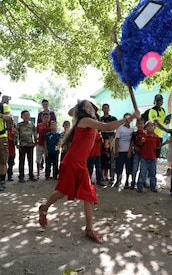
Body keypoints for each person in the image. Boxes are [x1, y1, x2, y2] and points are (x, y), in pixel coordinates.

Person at [38, 100, 140, 243]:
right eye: (88, 106)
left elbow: (103, 125)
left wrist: (84, 105)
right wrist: (131, 117)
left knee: (87, 195)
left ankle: (89, 228)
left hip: (79, 163)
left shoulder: (90, 121)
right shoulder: (84, 120)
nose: (91, 107)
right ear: (83, 111)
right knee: (63, 191)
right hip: (73, 162)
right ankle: (44, 208)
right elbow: (108, 126)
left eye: (92, 106)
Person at [137, 121, 169, 192]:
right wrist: (142, 141)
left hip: (153, 158)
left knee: (153, 173)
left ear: (155, 127)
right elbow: (140, 145)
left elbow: (158, 146)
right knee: (142, 173)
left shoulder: (156, 137)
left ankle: (153, 186)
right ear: (146, 127)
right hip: (144, 158)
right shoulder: (144, 135)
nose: (150, 127)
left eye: (152, 126)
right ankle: (140, 186)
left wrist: (165, 143)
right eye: (148, 126)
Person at [14, 110, 38, 183]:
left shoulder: (32, 124)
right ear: (22, 117)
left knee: (30, 161)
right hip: (22, 145)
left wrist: (36, 141)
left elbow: (35, 133)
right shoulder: (19, 125)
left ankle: (31, 175)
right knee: (22, 161)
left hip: (30, 145)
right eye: (25, 115)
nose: (27, 116)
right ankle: (21, 176)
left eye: (28, 115)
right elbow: (16, 134)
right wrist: (16, 143)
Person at [114, 113, 134, 188]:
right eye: (126, 119)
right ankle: (118, 180)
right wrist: (116, 150)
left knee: (129, 167)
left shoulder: (132, 130)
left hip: (128, 151)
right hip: (121, 151)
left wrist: (130, 151)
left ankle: (127, 181)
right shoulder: (120, 128)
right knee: (119, 166)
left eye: (129, 119)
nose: (127, 121)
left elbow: (132, 141)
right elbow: (117, 140)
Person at [128, 117, 146, 189]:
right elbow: (131, 143)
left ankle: (140, 183)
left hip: (144, 154)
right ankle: (133, 181)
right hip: (136, 153)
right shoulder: (134, 134)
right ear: (136, 124)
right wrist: (130, 151)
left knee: (142, 169)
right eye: (138, 124)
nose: (140, 125)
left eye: (141, 124)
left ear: (144, 125)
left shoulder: (146, 134)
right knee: (135, 168)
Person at [148, 94, 167, 158]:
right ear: (154, 101)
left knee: (156, 156)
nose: (158, 102)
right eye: (157, 101)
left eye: (160, 100)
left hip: (160, 136)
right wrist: (166, 130)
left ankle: (154, 168)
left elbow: (162, 122)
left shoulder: (163, 110)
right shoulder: (152, 110)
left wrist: (166, 121)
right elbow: (156, 123)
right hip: (152, 136)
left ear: (162, 102)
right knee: (151, 155)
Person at [0, 94, 12, 191]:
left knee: (3, 160)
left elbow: (9, 117)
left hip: (2, 137)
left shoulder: (4, 106)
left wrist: (1, 115)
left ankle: (2, 181)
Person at [36, 112, 50, 179]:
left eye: (47, 117)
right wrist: (35, 141)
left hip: (47, 145)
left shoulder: (50, 125)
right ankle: (38, 173)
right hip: (39, 144)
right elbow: (35, 134)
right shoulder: (39, 125)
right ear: (42, 118)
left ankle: (47, 173)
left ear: (49, 118)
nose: (46, 119)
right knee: (38, 159)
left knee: (47, 159)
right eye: (45, 117)